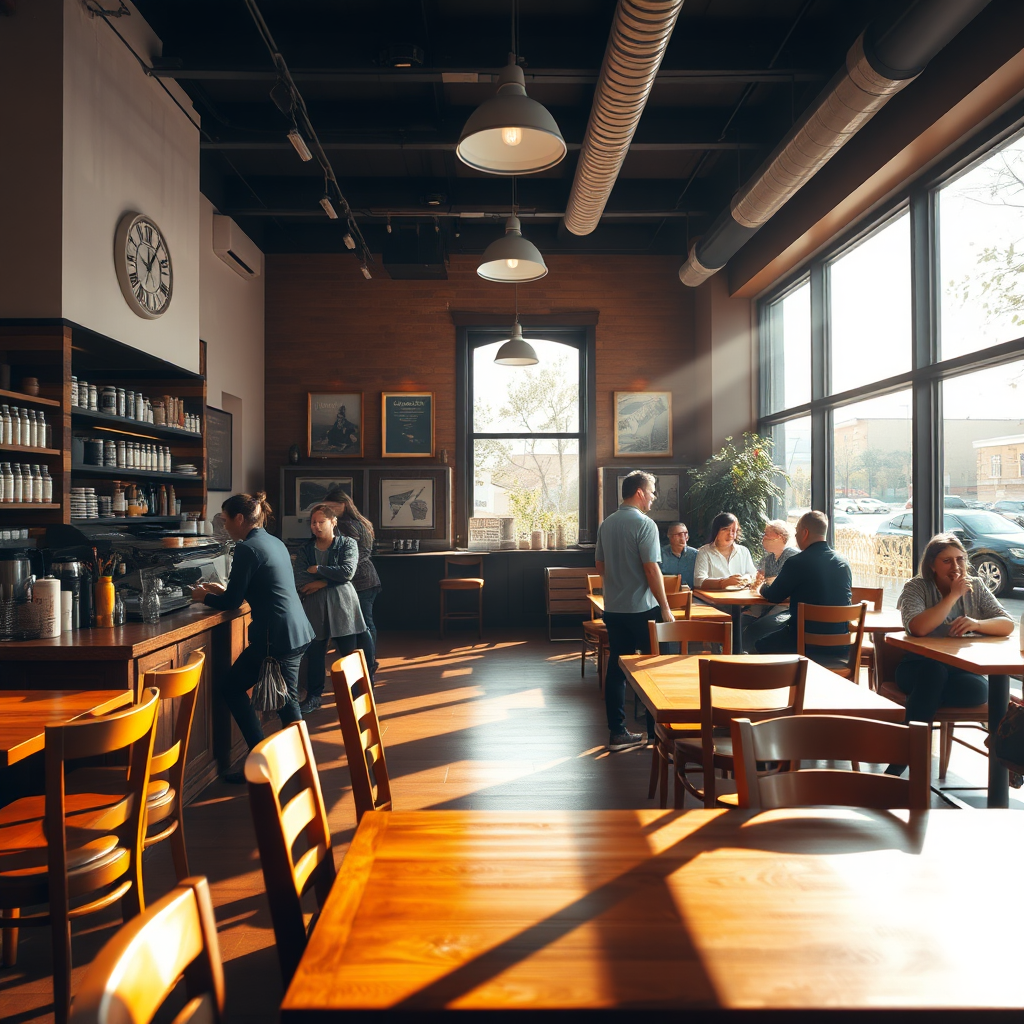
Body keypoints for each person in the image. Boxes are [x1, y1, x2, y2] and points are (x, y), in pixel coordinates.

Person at [192, 492, 313, 783]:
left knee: (238, 690)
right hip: (296, 630)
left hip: (276, 638)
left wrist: (202, 596)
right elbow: (256, 588)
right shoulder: (273, 541)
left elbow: (232, 603)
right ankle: (284, 766)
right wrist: (220, 592)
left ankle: (273, 766)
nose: (224, 526)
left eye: (224, 520)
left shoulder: (247, 548)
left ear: (239, 518)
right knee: (286, 700)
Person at [893, 531, 1012, 730]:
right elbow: (918, 628)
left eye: (960, 560)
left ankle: (908, 742)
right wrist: (952, 596)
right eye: (947, 561)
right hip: (917, 666)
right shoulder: (916, 587)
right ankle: (911, 744)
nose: (956, 567)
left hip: (960, 670)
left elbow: (1007, 624)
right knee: (934, 673)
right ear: (932, 565)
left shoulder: (976, 585)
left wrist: (977, 624)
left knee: (977, 691)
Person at [595, 470, 674, 752]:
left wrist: (619, 583)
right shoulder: (645, 524)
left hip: (614, 608)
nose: (653, 496)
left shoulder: (607, 524)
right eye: (652, 491)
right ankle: (656, 735)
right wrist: (665, 608)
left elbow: (600, 567)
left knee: (617, 668)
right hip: (642, 609)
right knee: (655, 667)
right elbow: (652, 568)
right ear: (639, 492)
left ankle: (617, 733)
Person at [294, 503, 370, 714]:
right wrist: (330, 577)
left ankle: (356, 695)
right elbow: (300, 577)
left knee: (348, 652)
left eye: (321, 522)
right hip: (314, 604)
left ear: (333, 522)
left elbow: (347, 572)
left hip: (342, 603)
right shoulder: (306, 549)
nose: (316, 527)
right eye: (313, 522)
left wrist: (319, 575)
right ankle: (313, 696)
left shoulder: (347, 544)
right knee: (315, 652)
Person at [754, 510, 852, 661]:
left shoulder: (797, 562)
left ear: (805, 533)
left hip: (803, 643)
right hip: (840, 645)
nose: (795, 537)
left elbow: (773, 596)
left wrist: (761, 585)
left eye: (796, 532)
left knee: (759, 645)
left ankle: (783, 682)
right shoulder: (843, 562)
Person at [324, 487, 381, 675]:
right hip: (368, 577)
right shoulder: (360, 521)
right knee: (366, 623)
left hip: (359, 579)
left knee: (362, 624)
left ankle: (368, 664)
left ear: (344, 505)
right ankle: (369, 662)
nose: (330, 510)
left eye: (333, 506)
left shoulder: (345, 524)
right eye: (327, 507)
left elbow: (350, 555)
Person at [742, 519, 800, 651]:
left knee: (754, 628)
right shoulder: (768, 559)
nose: (764, 538)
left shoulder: (792, 555)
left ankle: (750, 661)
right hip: (767, 605)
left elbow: (782, 589)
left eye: (767, 535)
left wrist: (767, 583)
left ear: (780, 537)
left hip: (785, 608)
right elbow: (766, 586)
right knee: (739, 621)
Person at [693, 512, 757, 590]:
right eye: (725, 529)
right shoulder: (704, 552)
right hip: (715, 599)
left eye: (734, 530)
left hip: (742, 597)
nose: (730, 534)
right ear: (716, 531)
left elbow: (753, 574)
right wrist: (723, 583)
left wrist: (746, 578)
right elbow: (698, 581)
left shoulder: (744, 551)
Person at [660, 522, 698, 588]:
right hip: (667, 594)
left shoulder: (696, 555)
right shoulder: (660, 555)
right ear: (669, 536)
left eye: (685, 533)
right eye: (679, 534)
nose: (683, 537)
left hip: (692, 594)